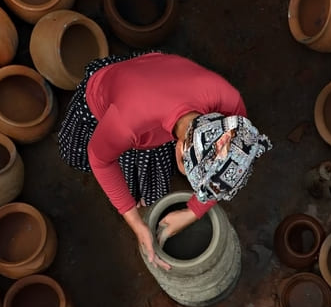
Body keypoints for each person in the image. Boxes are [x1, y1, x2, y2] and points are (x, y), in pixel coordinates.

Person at [57, 51, 272, 271]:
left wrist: (193, 212)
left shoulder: (230, 109)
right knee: (84, 154)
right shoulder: (128, 123)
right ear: (178, 150)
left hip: (158, 79)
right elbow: (100, 159)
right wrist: (136, 224)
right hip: (106, 92)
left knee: (145, 170)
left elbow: (233, 162)